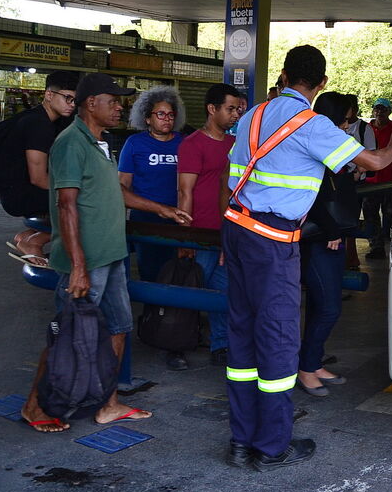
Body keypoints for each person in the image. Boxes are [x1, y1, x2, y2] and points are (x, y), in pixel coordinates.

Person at [221, 44, 392, 470]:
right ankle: (272, 447)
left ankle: (241, 440)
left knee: (243, 334)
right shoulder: (312, 125)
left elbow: (232, 175)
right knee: (278, 339)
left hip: (236, 230)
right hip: (272, 240)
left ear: (284, 75)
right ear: (322, 83)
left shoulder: (252, 116)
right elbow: (374, 161)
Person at [21, 73, 191, 433]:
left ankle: (108, 404)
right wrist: (78, 266)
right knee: (67, 332)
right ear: (90, 103)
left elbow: (114, 192)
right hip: (87, 258)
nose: (119, 108)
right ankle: (34, 406)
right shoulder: (71, 144)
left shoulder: (101, 142)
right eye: (112, 101)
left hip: (112, 254)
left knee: (118, 327)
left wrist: (161, 209)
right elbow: (66, 205)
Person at [176, 83, 242, 370]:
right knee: (190, 290)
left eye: (238, 109)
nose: (236, 115)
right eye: (230, 109)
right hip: (199, 234)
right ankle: (175, 344)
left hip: (226, 234)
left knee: (223, 292)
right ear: (212, 109)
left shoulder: (234, 144)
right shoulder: (192, 144)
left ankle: (220, 345)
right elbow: (184, 192)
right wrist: (185, 237)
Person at [296, 92, 359, 397]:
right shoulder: (314, 146)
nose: (348, 125)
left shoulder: (335, 145)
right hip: (320, 240)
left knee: (320, 305)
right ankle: (306, 368)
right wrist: (333, 230)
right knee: (329, 308)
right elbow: (313, 197)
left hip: (333, 237)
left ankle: (313, 361)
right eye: (345, 119)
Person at [1, 70, 81, 265]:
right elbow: (38, 178)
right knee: (88, 205)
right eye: (67, 98)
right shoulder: (39, 125)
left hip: (16, 190)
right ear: (49, 95)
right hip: (20, 196)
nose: (72, 105)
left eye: (75, 100)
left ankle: (27, 235)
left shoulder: (42, 119)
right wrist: (73, 191)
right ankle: (34, 242)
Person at [118, 86, 186, 282]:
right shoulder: (134, 143)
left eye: (171, 114)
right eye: (160, 114)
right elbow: (122, 186)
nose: (167, 119)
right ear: (147, 118)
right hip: (145, 219)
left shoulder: (185, 143)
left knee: (177, 273)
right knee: (150, 272)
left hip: (178, 218)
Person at [342, 94, 375, 270]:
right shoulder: (335, 126)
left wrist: (358, 171)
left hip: (355, 181)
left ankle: (350, 259)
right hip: (338, 179)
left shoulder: (364, 128)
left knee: (350, 220)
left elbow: (371, 154)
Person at [362, 98, 392, 259]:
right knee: (370, 215)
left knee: (390, 213)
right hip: (371, 181)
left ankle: (390, 243)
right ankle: (376, 247)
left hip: (391, 180)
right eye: (377, 108)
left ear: (389, 111)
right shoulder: (367, 128)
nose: (379, 112)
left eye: (383, 109)